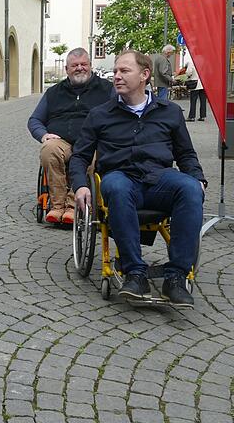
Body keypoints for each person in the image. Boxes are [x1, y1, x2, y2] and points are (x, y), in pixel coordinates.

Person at [69, 50, 206, 307]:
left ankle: (176, 278)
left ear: (144, 75)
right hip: (121, 178)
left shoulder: (170, 112)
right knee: (116, 186)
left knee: (190, 189)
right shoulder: (100, 115)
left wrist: (198, 179)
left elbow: (186, 154)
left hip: (159, 180)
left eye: (124, 71)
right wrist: (79, 186)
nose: (116, 76)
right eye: (116, 71)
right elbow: (79, 157)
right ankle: (135, 273)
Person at [27, 47, 113, 224]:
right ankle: (57, 205)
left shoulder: (107, 90)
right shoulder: (54, 92)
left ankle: (74, 205)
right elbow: (35, 120)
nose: (80, 68)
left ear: (90, 66)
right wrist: (43, 135)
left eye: (84, 64)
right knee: (48, 149)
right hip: (62, 141)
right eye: (74, 65)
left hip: (91, 141)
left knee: (92, 154)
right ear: (67, 69)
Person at [184, 55, 207, 122]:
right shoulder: (204, 62)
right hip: (203, 84)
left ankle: (192, 117)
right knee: (203, 100)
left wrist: (188, 76)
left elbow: (188, 72)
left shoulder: (192, 62)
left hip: (195, 84)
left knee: (193, 101)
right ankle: (202, 116)